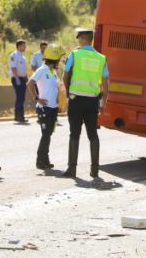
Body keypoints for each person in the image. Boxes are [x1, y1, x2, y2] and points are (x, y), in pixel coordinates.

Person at [62, 28, 109, 179]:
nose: (78, 41)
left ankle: (72, 169)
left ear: (82, 38)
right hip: (93, 101)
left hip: (76, 100)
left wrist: (69, 92)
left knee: (74, 134)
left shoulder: (74, 54)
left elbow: (65, 75)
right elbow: (106, 86)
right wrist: (102, 104)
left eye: (78, 38)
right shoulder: (101, 58)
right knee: (93, 135)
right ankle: (94, 170)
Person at [27, 43, 65, 170]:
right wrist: (36, 98)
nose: (59, 62)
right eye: (58, 59)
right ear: (53, 59)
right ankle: (40, 161)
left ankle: (45, 160)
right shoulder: (42, 70)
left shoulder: (53, 71)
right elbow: (30, 83)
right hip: (44, 108)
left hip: (52, 108)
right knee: (46, 133)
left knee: (48, 133)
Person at [9, 39, 29, 123]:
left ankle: (21, 116)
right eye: (23, 45)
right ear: (19, 46)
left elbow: (23, 70)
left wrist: (27, 79)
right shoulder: (14, 55)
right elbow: (13, 68)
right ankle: (18, 116)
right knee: (19, 97)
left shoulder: (22, 57)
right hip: (17, 78)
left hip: (22, 78)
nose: (25, 47)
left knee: (22, 97)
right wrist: (17, 78)